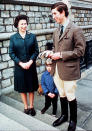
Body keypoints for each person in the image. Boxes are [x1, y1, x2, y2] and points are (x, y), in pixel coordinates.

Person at [47, 2, 86, 131]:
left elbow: (80, 51)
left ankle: (73, 120)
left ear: (63, 12)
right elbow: (55, 48)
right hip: (56, 69)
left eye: (55, 13)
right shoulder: (56, 31)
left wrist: (61, 55)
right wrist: (51, 53)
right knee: (62, 93)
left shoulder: (76, 29)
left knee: (70, 94)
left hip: (69, 70)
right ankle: (64, 115)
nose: (53, 16)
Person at [9, 15, 39, 116]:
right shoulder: (13, 38)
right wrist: (21, 63)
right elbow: (11, 53)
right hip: (19, 67)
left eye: (25, 23)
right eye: (22, 24)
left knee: (31, 88)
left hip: (31, 66)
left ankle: (31, 106)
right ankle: (26, 107)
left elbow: (36, 51)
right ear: (17, 25)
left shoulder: (32, 36)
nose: (24, 26)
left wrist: (30, 62)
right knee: (22, 88)